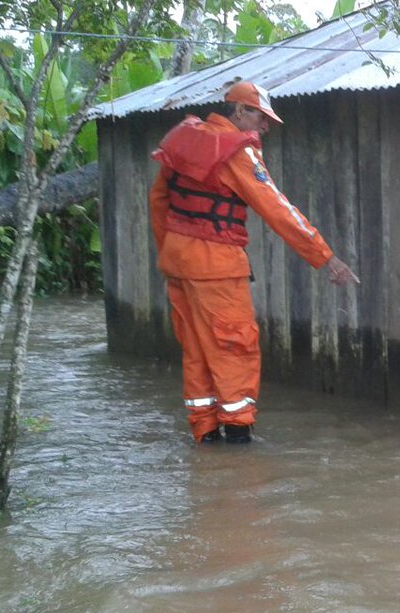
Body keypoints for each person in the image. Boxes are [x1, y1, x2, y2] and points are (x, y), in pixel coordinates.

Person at [148, 80, 358, 445]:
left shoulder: (186, 139)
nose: (264, 128)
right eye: (261, 118)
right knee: (235, 345)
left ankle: (206, 432)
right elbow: (278, 210)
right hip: (217, 266)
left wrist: (170, 252)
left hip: (178, 262)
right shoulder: (236, 152)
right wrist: (326, 258)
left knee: (197, 347)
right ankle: (239, 439)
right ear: (240, 110)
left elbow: (158, 200)